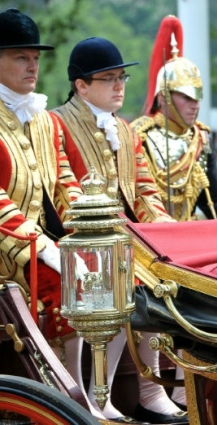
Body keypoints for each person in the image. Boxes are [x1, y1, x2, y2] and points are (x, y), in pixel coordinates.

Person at [51, 37, 187, 424]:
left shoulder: (126, 130)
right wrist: (106, 234)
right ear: (81, 85)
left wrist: (164, 230)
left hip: (125, 240)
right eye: (108, 78)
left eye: (121, 78)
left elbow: (144, 188)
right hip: (78, 239)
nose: (119, 86)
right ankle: (93, 397)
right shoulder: (58, 124)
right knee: (113, 282)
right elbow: (64, 189)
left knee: (157, 281)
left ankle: (149, 392)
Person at [0, 3, 93, 410]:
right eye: (21, 56)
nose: (32, 66)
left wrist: (91, 229)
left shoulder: (43, 120)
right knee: (63, 282)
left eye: (35, 58)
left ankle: (97, 392)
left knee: (116, 276)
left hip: (38, 248)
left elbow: (65, 185)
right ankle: (66, 398)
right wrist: (45, 249)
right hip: (8, 253)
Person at [131, 15, 217, 221]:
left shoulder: (200, 139)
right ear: (163, 98)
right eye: (186, 97)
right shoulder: (139, 137)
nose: (195, 104)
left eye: (197, 96)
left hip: (188, 236)